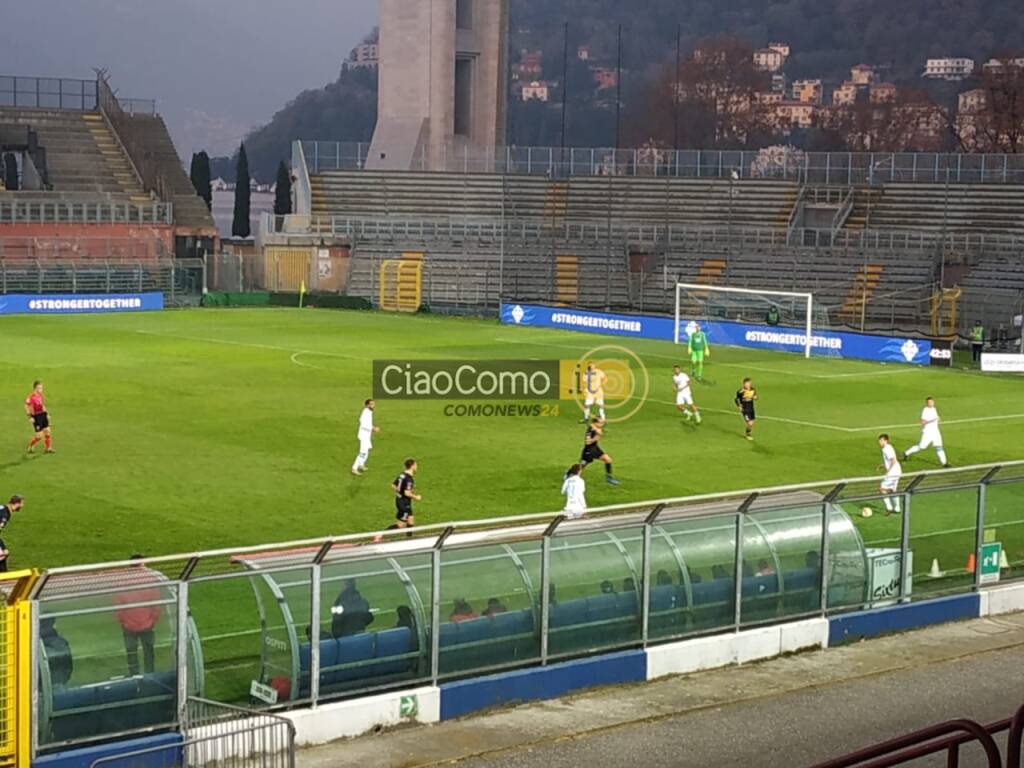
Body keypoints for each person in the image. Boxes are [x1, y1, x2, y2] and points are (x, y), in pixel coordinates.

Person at [113, 555, 162, 676]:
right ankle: (150, 674)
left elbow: (118, 605)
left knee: (131, 653)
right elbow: (156, 603)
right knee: (149, 651)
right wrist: (153, 620)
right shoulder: (150, 580)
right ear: (142, 564)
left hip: (128, 625)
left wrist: (122, 621)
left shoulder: (123, 581)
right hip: (147, 624)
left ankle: (134, 676)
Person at [903, 397, 949, 467]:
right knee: (921, 447)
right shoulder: (925, 410)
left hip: (936, 432)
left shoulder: (934, 409)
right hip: (928, 433)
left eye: (932, 402)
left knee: (939, 447)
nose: (931, 403)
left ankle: (944, 463)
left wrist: (938, 419)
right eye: (930, 402)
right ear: (927, 403)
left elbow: (936, 419)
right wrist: (933, 420)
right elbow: (922, 422)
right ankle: (906, 453)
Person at [580, 418, 619, 485]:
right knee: (582, 466)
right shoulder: (590, 430)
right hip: (589, 450)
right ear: (595, 422)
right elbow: (587, 442)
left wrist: (599, 435)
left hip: (595, 448)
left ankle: (608, 478)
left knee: (608, 460)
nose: (602, 424)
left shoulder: (598, 428)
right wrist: (596, 436)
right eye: (601, 423)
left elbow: (599, 436)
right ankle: (570, 473)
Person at [389, 459, 422, 531]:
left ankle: (409, 538)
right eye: (415, 465)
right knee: (400, 525)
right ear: (412, 466)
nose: (417, 467)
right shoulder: (409, 479)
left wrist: (399, 492)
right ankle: (380, 535)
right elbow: (407, 493)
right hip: (404, 503)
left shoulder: (402, 474)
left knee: (411, 520)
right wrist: (416, 497)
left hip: (400, 500)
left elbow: (393, 485)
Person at [40, 618, 73, 687]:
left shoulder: (36, 644)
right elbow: (68, 664)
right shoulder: (62, 642)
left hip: (42, 684)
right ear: (54, 625)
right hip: (60, 681)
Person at [351, 398, 380, 476]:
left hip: (366, 435)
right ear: (367, 405)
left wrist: (371, 428)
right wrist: (373, 428)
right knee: (363, 452)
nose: (373, 405)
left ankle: (361, 464)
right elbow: (363, 424)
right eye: (371, 404)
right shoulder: (366, 413)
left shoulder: (369, 412)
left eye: (373, 404)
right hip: (364, 435)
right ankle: (354, 468)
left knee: (367, 450)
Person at [877, 434, 903, 517]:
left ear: (886, 440)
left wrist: (888, 470)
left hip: (893, 472)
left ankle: (889, 508)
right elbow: (891, 460)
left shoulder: (886, 449)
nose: (879, 442)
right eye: (879, 440)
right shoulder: (889, 447)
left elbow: (893, 460)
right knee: (893, 490)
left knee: (882, 489)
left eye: (881, 440)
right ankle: (897, 508)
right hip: (897, 471)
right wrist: (883, 465)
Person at [25, 380, 54, 454]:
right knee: (39, 436)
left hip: (43, 414)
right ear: (35, 388)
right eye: (39, 388)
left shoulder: (41, 395)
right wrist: (30, 417)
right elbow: (26, 406)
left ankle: (48, 448)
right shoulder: (31, 397)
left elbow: (43, 405)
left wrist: (47, 414)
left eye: (41, 388)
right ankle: (30, 446)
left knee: (48, 431)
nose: (41, 390)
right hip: (36, 417)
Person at [0, 495, 25, 573]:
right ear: (17, 504)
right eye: (21, 504)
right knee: (3, 555)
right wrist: (3, 547)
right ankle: (4, 577)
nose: (22, 506)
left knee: (3, 554)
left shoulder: (3, 507)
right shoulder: (5, 515)